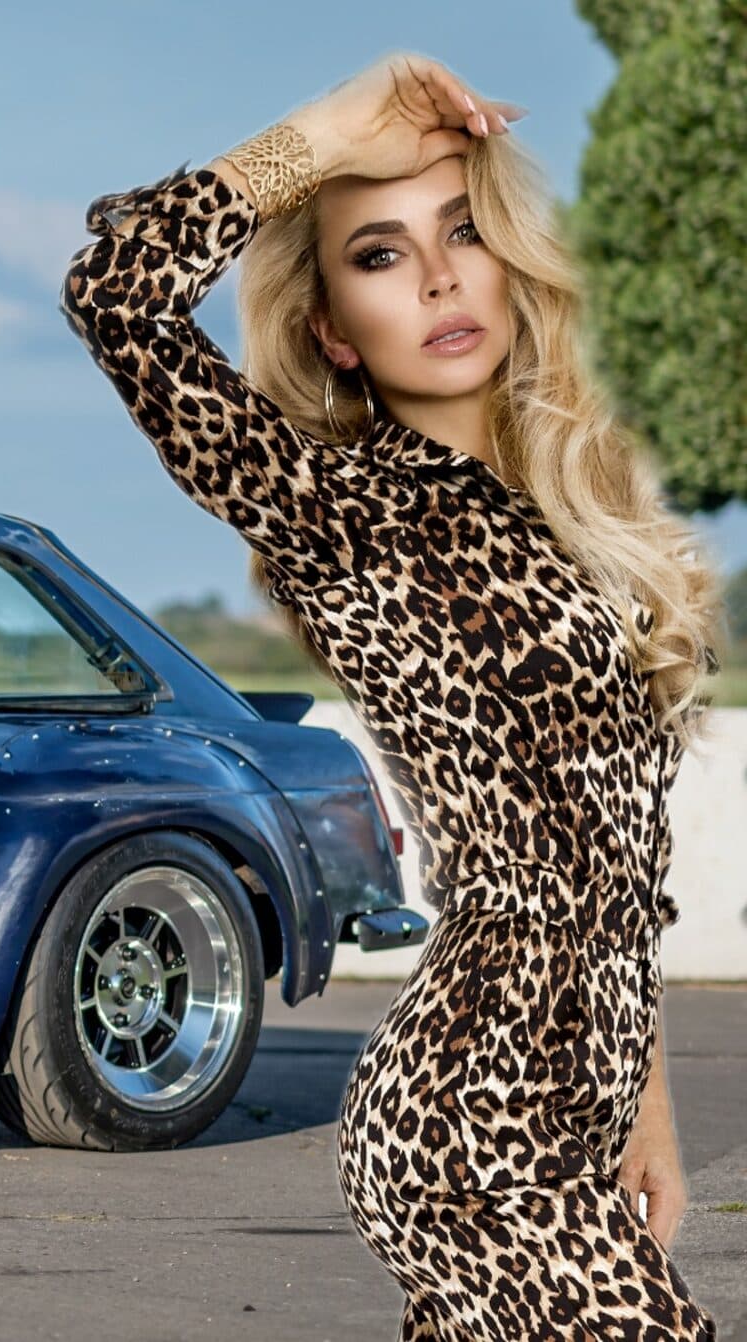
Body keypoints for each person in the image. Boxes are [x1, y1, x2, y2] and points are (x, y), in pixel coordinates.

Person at [58, 50, 724, 1339]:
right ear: (331, 329)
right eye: (379, 254)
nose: (437, 277)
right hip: (468, 1126)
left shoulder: (577, 518)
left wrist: (645, 1111)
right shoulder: (340, 511)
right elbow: (118, 299)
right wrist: (322, 135)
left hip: (573, 1117)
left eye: (464, 231)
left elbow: (611, 862)